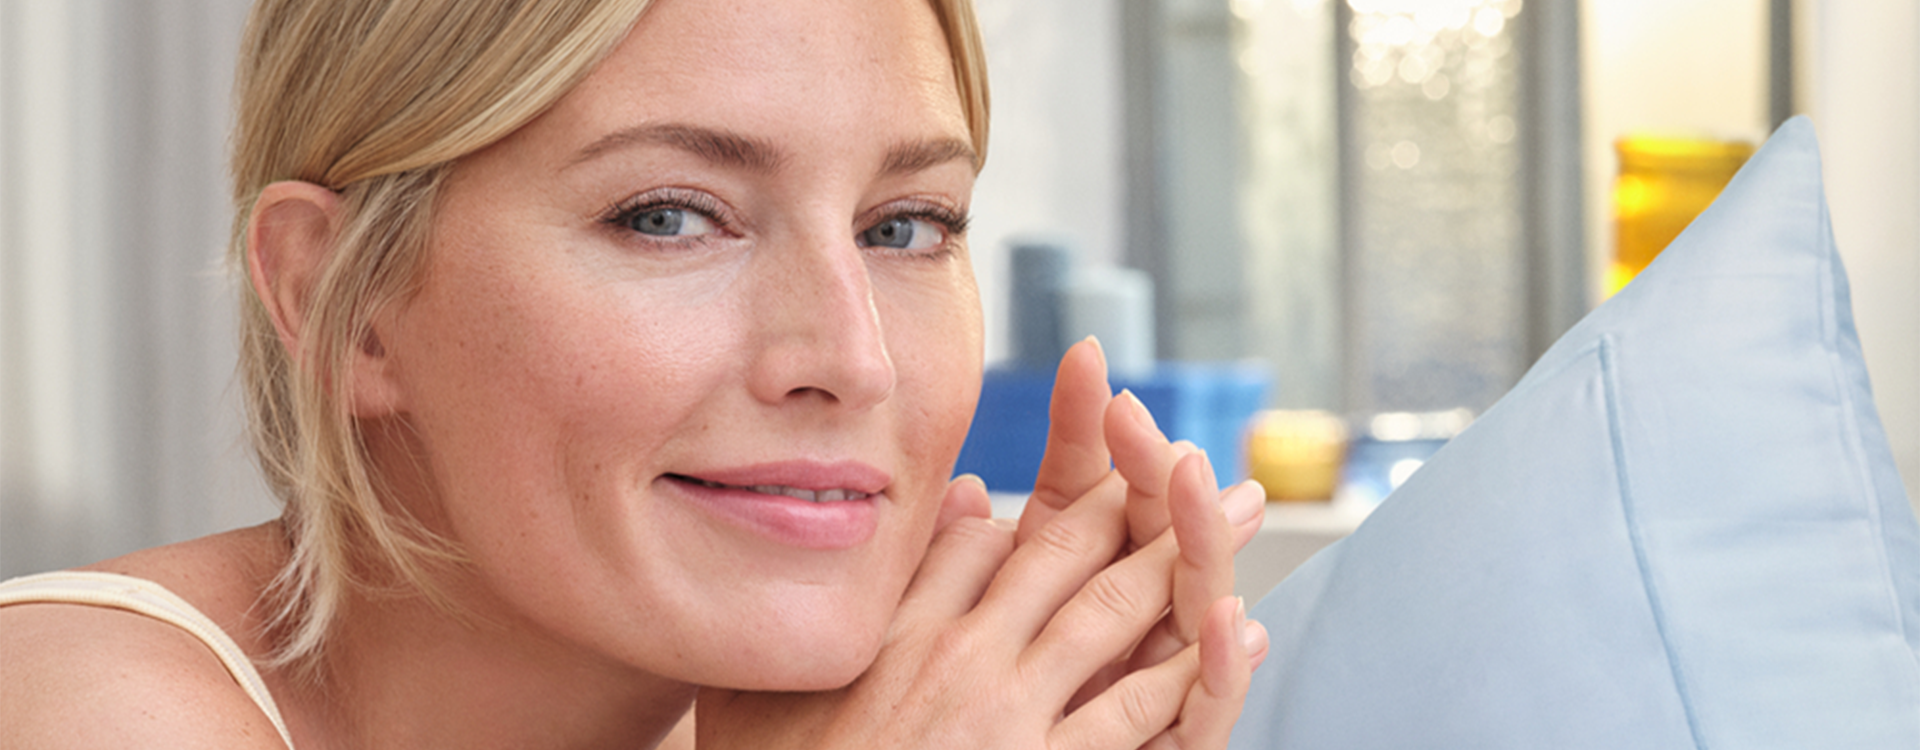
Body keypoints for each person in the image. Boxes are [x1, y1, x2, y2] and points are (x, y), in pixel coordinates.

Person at [0, 0, 1271, 747]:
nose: (851, 359)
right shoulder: (79, 708)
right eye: (668, 216)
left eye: (905, 227)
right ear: (346, 304)